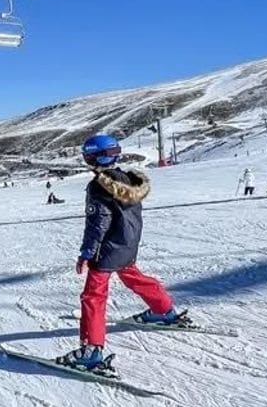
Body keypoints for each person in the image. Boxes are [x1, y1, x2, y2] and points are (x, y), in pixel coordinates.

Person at [57, 134, 187, 374]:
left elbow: (99, 222)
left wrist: (88, 252)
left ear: (93, 157)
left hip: (107, 248)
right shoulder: (128, 180)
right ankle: (164, 310)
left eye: (87, 156)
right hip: (127, 243)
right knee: (133, 276)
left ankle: (91, 351)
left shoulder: (99, 185)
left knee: (93, 296)